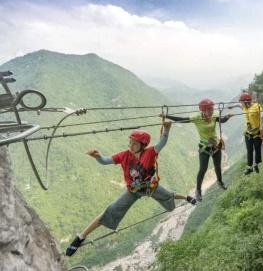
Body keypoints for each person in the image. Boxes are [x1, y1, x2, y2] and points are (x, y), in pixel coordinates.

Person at [65, 121, 196, 257]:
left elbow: (162, 143)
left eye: (134, 144)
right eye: (130, 143)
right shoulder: (124, 155)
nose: (131, 146)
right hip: (133, 191)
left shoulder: (150, 153)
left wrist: (167, 129)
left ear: (143, 145)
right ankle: (80, 237)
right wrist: (97, 156)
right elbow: (105, 161)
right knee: (110, 211)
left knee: (169, 196)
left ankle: (187, 197)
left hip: (149, 187)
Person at [164, 98, 233, 202]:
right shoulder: (197, 118)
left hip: (215, 145)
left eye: (212, 109)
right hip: (204, 147)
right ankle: (198, 191)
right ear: (203, 110)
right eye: (209, 109)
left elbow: (222, 120)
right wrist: (166, 116)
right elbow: (182, 119)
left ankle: (220, 182)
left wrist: (228, 116)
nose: (211, 111)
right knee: (203, 169)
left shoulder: (214, 116)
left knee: (218, 166)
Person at [229, 92, 263, 175]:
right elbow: (238, 105)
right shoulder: (245, 107)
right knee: (249, 150)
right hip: (248, 133)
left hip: (257, 133)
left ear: (246, 102)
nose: (242, 104)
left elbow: (262, 113)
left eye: (242, 102)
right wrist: (232, 106)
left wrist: (262, 114)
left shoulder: (256, 106)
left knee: (257, 149)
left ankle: (256, 164)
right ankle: (249, 167)